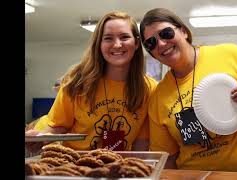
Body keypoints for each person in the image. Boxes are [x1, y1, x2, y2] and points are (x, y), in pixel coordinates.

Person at [139, 8, 237, 174]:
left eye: (166, 33)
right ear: (152, 53)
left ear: (183, 31)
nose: (161, 44)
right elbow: (168, 158)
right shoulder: (158, 98)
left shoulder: (229, 54)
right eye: (151, 43)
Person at [25, 10, 157, 153]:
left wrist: (136, 172)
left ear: (136, 43)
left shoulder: (148, 89)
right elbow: (58, 126)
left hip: (119, 168)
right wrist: (41, 138)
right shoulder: (78, 81)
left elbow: (141, 143)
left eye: (124, 37)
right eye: (108, 38)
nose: (117, 45)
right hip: (75, 166)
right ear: (99, 44)